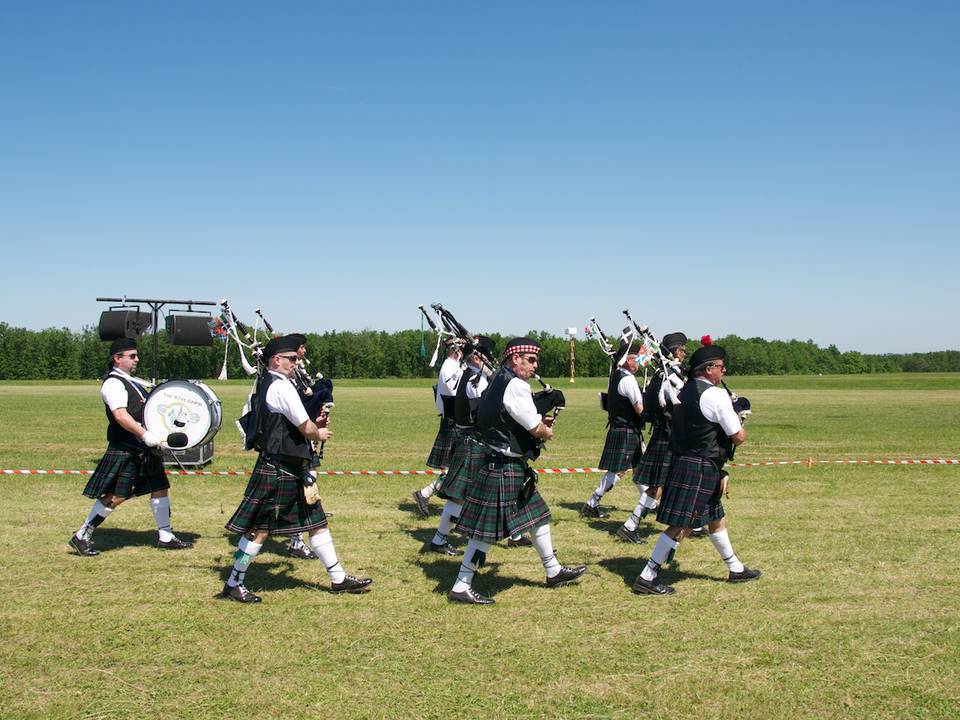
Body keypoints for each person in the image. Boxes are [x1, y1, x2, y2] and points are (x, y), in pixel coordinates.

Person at [220, 335, 372, 603]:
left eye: (297, 358)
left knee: (317, 522)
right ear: (276, 360)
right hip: (280, 468)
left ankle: (338, 578)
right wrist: (319, 432)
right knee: (260, 530)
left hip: (291, 466)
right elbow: (305, 427)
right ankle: (233, 582)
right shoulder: (281, 387)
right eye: (292, 359)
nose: (297, 362)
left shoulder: (271, 383)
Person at [449, 338, 586, 604]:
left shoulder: (498, 379)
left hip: (502, 463)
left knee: (538, 518)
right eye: (531, 360)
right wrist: (548, 427)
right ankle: (461, 585)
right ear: (515, 359)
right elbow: (536, 429)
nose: (535, 366)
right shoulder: (517, 386)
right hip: (504, 467)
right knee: (484, 534)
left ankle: (553, 570)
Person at [632, 343, 760, 595]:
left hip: (688, 461)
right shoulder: (715, 395)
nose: (724, 371)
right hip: (701, 466)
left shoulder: (686, 390)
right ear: (709, 368)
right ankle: (647, 576)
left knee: (715, 517)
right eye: (721, 367)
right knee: (681, 525)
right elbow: (738, 436)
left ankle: (735, 568)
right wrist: (740, 417)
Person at [69, 338, 192, 556]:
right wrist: (145, 435)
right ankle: (81, 535)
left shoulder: (131, 381)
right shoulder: (113, 383)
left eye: (136, 355)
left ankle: (165, 536)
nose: (137, 359)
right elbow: (120, 415)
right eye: (132, 356)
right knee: (117, 496)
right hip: (127, 447)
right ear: (117, 359)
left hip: (143, 448)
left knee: (160, 487)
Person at [617, 332, 687, 544]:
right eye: (682, 350)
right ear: (675, 351)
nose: (684, 353)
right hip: (669, 436)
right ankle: (631, 525)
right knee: (660, 485)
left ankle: (694, 522)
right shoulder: (669, 377)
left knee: (667, 484)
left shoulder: (661, 375)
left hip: (664, 435)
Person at [426, 336, 494, 555]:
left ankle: (439, 539)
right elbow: (485, 414)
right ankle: (440, 539)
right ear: (478, 357)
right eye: (487, 356)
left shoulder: (470, 375)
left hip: (470, 440)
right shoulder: (476, 381)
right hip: (475, 442)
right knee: (461, 494)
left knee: (462, 495)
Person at [580, 340, 644, 521]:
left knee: (639, 467)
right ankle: (592, 503)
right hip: (626, 430)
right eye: (636, 358)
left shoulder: (616, 375)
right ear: (627, 359)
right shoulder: (628, 380)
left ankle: (650, 502)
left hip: (624, 429)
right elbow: (640, 409)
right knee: (618, 471)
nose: (639, 362)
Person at [412, 339, 463, 515]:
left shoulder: (453, 367)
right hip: (455, 422)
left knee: (460, 468)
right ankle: (425, 494)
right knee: (462, 468)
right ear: (456, 350)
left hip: (456, 423)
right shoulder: (450, 367)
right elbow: (456, 392)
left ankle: (425, 493)